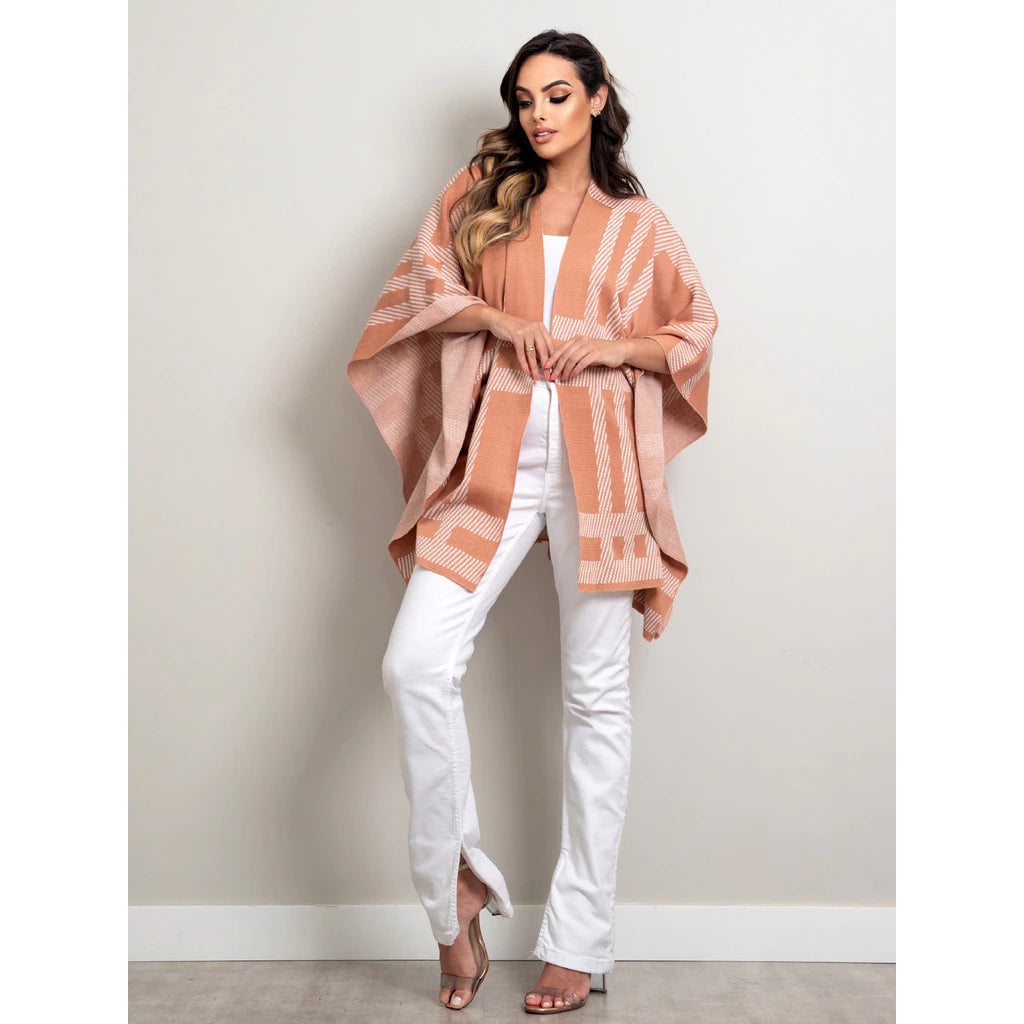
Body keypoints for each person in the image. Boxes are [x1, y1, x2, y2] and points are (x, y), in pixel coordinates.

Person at [347, 29, 718, 1015]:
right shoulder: (483, 196)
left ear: (596, 98)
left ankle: (578, 942)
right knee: (414, 664)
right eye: (524, 98)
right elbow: (421, 288)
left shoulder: (638, 225)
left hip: (602, 464)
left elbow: (692, 329)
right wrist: (500, 320)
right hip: (492, 458)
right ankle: (456, 887)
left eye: (557, 94)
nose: (539, 114)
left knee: (596, 699)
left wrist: (611, 348)